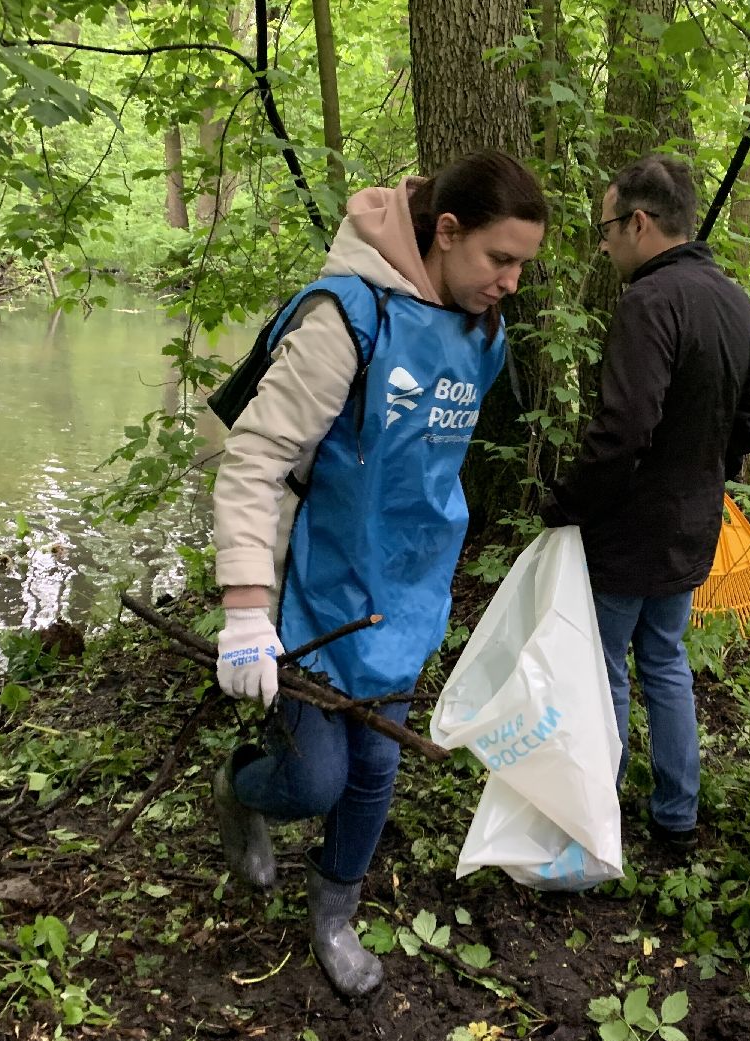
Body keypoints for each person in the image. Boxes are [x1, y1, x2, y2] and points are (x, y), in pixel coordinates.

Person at [210, 151, 548, 997]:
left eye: (520, 266)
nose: (509, 282)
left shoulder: (482, 331)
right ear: (445, 231)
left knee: (373, 774)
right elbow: (254, 459)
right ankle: (241, 791)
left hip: (404, 592)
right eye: (496, 259)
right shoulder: (345, 317)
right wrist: (246, 609)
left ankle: (333, 912)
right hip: (313, 592)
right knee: (313, 778)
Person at [539, 155, 750, 852]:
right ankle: (675, 817)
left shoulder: (647, 300)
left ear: (639, 222)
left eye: (607, 228)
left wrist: (568, 504)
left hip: (628, 527)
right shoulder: (732, 300)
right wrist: (706, 471)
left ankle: (594, 818)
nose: (603, 242)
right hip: (691, 521)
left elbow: (622, 430)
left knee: (605, 664)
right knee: (664, 661)